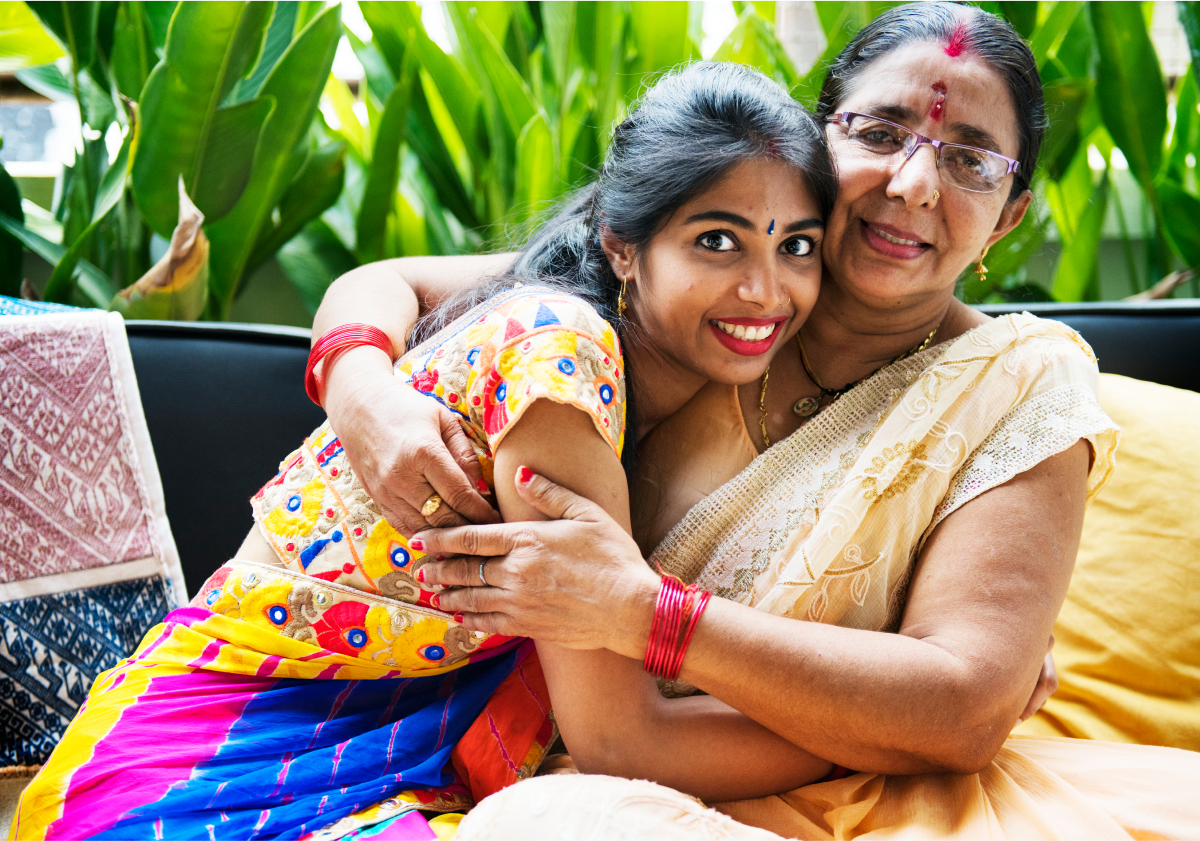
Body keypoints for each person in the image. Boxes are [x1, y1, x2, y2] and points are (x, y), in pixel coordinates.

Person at [308, 4, 1200, 840]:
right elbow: (402, 283)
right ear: (822, 143)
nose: (915, 182)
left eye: (970, 160)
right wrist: (362, 396)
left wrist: (647, 614)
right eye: (883, 133)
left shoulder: (1019, 383)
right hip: (571, 761)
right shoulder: (717, 295)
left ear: (1010, 217)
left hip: (862, 795)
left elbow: (962, 702)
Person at [11, 63, 841, 840]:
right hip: (200, 773)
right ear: (622, 244)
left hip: (313, 751)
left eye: (796, 245)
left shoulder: (597, 298)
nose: (765, 290)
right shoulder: (562, 357)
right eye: (719, 242)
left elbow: (389, 278)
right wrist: (869, 731)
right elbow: (623, 742)